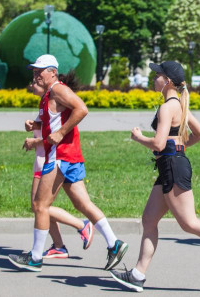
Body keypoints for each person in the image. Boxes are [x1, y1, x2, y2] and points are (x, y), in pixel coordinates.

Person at [110, 60, 200, 292]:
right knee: (149, 220)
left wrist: (139, 138)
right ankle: (137, 274)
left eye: (157, 74)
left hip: (174, 167)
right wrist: (178, 147)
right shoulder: (179, 104)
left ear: (166, 80)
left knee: (189, 223)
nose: (153, 78)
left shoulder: (169, 107)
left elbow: (157, 143)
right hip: (170, 165)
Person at [8, 55, 128, 272]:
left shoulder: (57, 89)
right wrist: (34, 123)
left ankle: (35, 257)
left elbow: (82, 109)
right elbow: (54, 119)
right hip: (70, 156)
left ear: (53, 72)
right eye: (34, 71)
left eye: (40, 71)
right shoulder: (48, 95)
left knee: (40, 205)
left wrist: (61, 133)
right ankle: (114, 244)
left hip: (60, 157)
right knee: (83, 204)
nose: (36, 74)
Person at [22, 78, 94, 259]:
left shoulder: (54, 100)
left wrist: (35, 141)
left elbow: (54, 136)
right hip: (44, 158)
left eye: (35, 82)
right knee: (41, 207)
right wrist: (34, 125)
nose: (32, 85)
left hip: (49, 159)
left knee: (39, 206)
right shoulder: (45, 103)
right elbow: (47, 131)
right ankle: (59, 246)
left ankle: (81, 225)